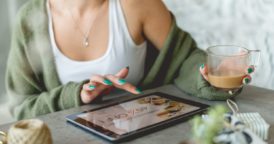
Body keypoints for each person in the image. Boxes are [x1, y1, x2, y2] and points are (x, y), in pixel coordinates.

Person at [6, 0, 253, 120]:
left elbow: (185, 58)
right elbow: (21, 108)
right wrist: (76, 95)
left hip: (143, 138)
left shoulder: (137, 3)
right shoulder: (29, 20)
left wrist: (211, 73)